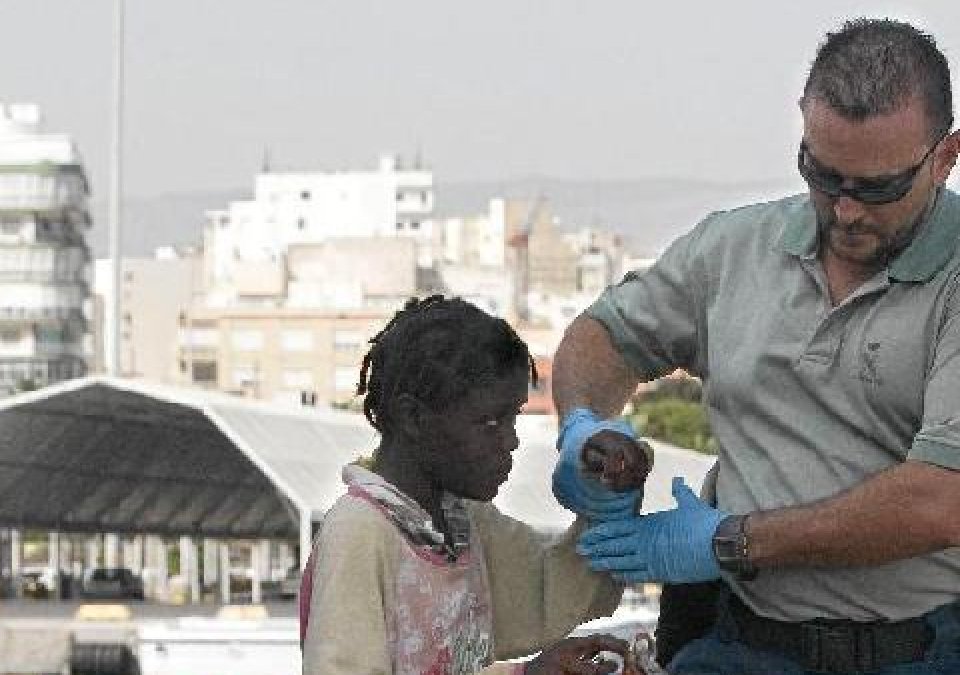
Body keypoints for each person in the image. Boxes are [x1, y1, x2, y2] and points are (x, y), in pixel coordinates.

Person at [551, 17, 960, 675]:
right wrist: (584, 430)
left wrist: (730, 539)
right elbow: (603, 338)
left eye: (879, 188)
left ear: (945, 157)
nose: (847, 210)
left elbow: (941, 500)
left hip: (920, 651)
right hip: (741, 644)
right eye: (824, 175)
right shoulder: (732, 249)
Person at [299, 296, 629, 675]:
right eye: (490, 422)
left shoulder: (463, 520)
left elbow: (549, 586)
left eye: (512, 419)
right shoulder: (359, 533)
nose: (510, 441)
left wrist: (607, 492)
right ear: (413, 417)